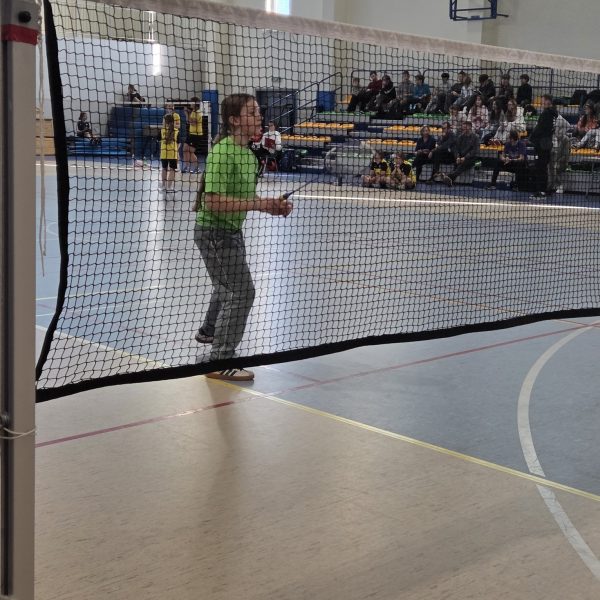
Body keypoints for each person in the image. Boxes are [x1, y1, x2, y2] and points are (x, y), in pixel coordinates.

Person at [194, 93, 293, 381]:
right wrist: (259, 205)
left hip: (231, 232)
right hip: (214, 232)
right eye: (252, 112)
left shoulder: (249, 156)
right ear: (234, 120)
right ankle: (220, 359)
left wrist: (271, 206)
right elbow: (212, 202)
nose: (259, 116)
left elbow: (246, 200)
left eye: (258, 112)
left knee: (228, 288)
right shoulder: (223, 152)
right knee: (241, 292)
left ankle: (210, 335)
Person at [529, 94, 557, 199]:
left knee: (540, 168)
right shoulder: (554, 114)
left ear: (548, 101)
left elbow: (539, 128)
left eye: (543, 101)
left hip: (542, 144)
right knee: (543, 168)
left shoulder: (546, 113)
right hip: (547, 143)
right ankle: (543, 190)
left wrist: (531, 138)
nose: (541, 103)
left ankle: (541, 191)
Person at [440, 120, 480, 186]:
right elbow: (456, 149)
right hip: (461, 157)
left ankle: (450, 176)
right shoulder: (460, 137)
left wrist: (465, 158)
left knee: (465, 162)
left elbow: (475, 151)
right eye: (463, 127)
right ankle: (451, 179)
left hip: (472, 158)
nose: (463, 128)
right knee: (457, 161)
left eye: (465, 127)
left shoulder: (476, 137)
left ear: (470, 127)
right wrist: (458, 157)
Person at [549, 115, 571, 194]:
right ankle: (549, 186)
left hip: (562, 162)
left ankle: (559, 185)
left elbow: (566, 155)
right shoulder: (552, 138)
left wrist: (557, 162)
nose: (557, 131)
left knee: (554, 167)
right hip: (552, 160)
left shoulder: (566, 139)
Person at [182, 97, 204, 173]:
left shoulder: (198, 112)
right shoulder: (193, 111)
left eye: (191, 102)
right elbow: (188, 121)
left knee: (191, 151)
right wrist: (188, 113)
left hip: (196, 135)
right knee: (185, 149)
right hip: (191, 134)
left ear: (195, 104)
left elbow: (193, 123)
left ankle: (197, 168)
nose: (190, 104)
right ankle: (187, 167)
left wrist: (186, 113)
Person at [159, 114, 179, 192]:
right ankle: (169, 187)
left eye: (163, 121)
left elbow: (158, 139)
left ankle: (163, 186)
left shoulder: (162, 130)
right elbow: (179, 143)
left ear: (165, 122)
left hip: (164, 153)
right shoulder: (176, 131)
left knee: (164, 168)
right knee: (172, 170)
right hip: (173, 153)